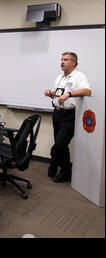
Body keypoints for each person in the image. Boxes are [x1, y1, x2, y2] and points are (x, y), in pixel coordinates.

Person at [44, 51, 92, 183]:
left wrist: (69, 94)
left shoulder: (79, 76)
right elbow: (58, 95)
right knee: (62, 146)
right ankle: (64, 171)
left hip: (69, 116)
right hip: (57, 113)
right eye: (61, 59)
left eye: (65, 59)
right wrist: (51, 94)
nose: (62, 62)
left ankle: (56, 164)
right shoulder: (59, 78)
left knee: (59, 144)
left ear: (74, 62)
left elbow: (87, 91)